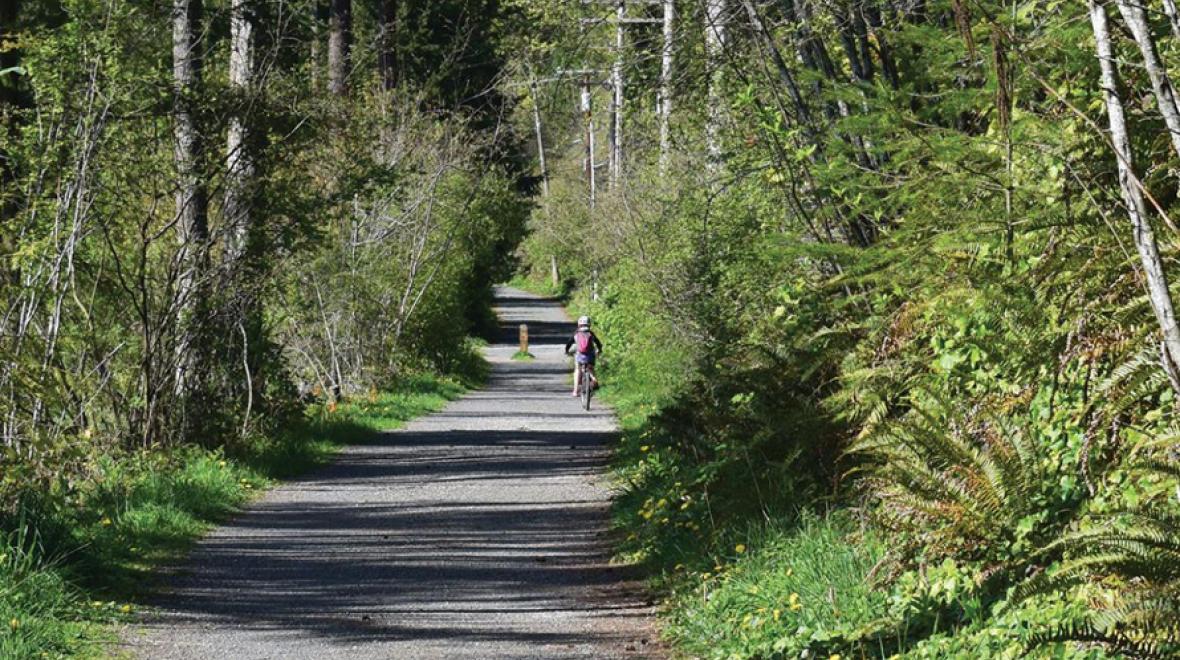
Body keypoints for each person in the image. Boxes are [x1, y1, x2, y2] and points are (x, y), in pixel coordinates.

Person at [565, 315, 603, 397]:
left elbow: (569, 343)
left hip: (580, 355)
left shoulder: (576, 333)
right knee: (591, 368)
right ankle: (594, 379)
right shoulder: (591, 333)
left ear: (579, 324)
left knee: (578, 369)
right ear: (589, 324)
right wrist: (599, 350)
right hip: (590, 355)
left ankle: (575, 391)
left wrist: (567, 351)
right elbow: (598, 343)